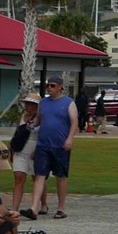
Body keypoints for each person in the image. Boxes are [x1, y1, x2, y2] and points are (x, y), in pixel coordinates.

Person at [29, 79, 76, 219]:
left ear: (60, 87)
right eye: (47, 85)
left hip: (60, 145)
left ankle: (61, 208)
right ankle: (34, 207)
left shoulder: (68, 103)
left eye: (52, 86)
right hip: (43, 145)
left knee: (61, 176)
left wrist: (70, 139)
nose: (49, 88)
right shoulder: (43, 103)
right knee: (39, 175)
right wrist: (32, 124)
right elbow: (38, 119)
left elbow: (74, 122)